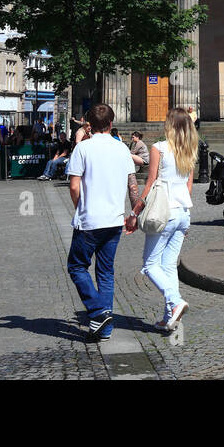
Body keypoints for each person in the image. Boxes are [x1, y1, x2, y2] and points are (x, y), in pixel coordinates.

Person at [65, 103, 140, 341]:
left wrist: (81, 208)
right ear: (111, 123)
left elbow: (74, 185)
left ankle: (98, 312)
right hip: (115, 220)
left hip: (90, 221)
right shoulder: (121, 150)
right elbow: (133, 187)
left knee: (77, 267)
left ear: (89, 125)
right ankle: (104, 329)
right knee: (106, 272)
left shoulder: (83, 148)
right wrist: (133, 215)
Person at [132, 107, 196, 332]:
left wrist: (135, 212)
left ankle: (175, 301)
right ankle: (169, 316)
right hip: (183, 213)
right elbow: (188, 186)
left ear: (170, 125)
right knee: (169, 266)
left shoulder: (159, 147)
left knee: (150, 265)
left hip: (163, 212)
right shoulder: (189, 149)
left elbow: (150, 183)